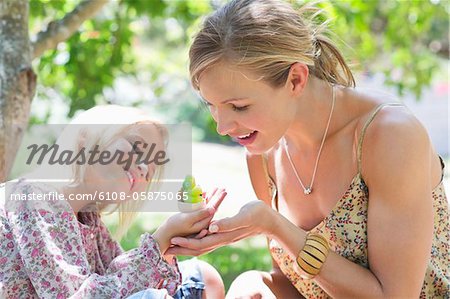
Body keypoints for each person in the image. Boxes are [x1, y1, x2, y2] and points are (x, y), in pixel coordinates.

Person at [166, 0, 449, 298]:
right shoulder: (263, 155)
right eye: (211, 105)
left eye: (239, 106)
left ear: (296, 79)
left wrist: (273, 225)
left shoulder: (388, 136)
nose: (222, 127)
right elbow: (295, 285)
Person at [0, 105, 226, 299]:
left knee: (203, 277)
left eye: (149, 171)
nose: (143, 168)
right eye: (137, 147)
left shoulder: (88, 218)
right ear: (85, 137)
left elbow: (119, 280)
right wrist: (160, 239)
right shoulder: (32, 198)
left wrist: (169, 245)